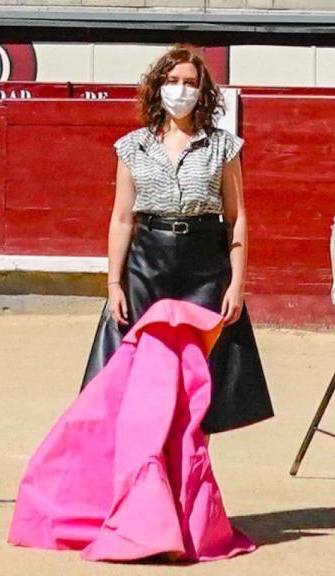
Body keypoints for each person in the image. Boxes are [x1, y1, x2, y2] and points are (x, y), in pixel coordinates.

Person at [81, 46, 272, 434]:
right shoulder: (132, 146)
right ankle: (147, 464)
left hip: (205, 266)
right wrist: (114, 283)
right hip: (146, 263)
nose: (180, 89)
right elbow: (122, 218)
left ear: (202, 92)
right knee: (139, 371)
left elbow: (236, 218)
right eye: (172, 81)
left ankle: (192, 466)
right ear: (158, 87)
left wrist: (236, 285)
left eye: (189, 82)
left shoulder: (223, 146)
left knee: (200, 374)